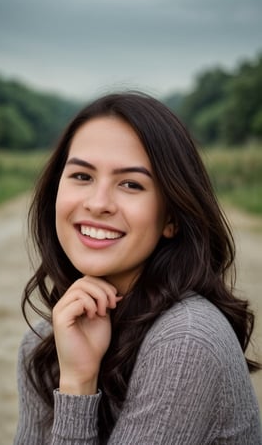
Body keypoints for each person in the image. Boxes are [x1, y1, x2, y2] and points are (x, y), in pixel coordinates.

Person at [14, 92, 262, 444]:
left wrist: (78, 388)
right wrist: (74, 371)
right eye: (82, 176)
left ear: (172, 218)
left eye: (131, 184)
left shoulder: (186, 340)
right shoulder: (45, 344)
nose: (98, 204)